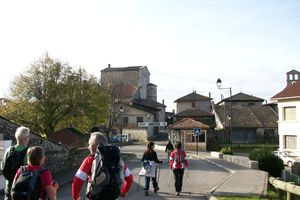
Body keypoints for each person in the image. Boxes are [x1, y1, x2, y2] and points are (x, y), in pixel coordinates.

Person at [72, 132, 133, 200]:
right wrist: (124, 192)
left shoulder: (90, 160)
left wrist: (76, 197)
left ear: (95, 145)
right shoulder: (116, 158)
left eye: (90, 144)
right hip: (113, 196)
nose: (88, 147)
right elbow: (130, 178)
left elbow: (77, 181)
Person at [1, 126, 30, 200]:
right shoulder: (28, 152)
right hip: (22, 188)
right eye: (29, 136)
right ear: (26, 138)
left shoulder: (9, 150)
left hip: (9, 186)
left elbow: (2, 167)